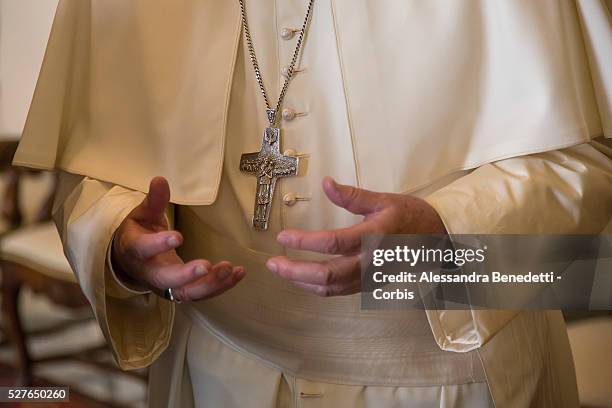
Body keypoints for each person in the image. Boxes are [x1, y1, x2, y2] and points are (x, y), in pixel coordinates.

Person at [14, 0, 612, 406]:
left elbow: (589, 162)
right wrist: (119, 235)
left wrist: (445, 233)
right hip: (214, 372)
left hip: (455, 381)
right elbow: (91, 166)